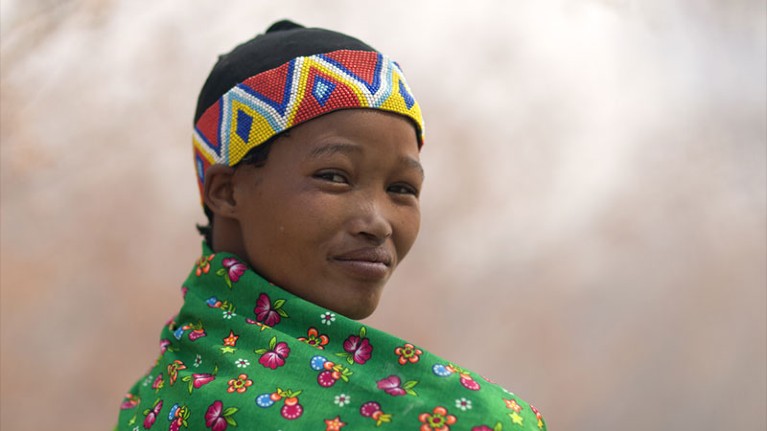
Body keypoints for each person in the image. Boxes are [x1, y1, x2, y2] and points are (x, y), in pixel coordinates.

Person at [116, 20, 546, 431]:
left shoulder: (153, 399)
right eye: (334, 177)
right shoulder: (469, 419)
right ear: (228, 192)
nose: (378, 222)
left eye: (402, 188)